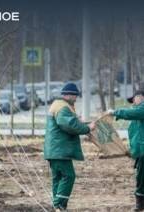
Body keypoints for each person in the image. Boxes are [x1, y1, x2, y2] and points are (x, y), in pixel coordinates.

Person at [107, 91, 144, 211]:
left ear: (141, 97)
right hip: (141, 152)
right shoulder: (138, 117)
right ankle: (139, 207)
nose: (133, 103)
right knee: (140, 179)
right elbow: (135, 135)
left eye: (134, 100)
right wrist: (132, 150)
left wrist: (115, 112)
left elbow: (134, 113)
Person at [44, 82, 95, 211]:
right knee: (69, 175)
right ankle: (59, 204)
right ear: (68, 95)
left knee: (58, 178)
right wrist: (87, 128)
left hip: (54, 149)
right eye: (75, 96)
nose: (76, 98)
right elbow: (69, 125)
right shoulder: (62, 107)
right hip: (60, 150)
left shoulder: (59, 105)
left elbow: (71, 121)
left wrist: (82, 124)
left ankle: (58, 207)